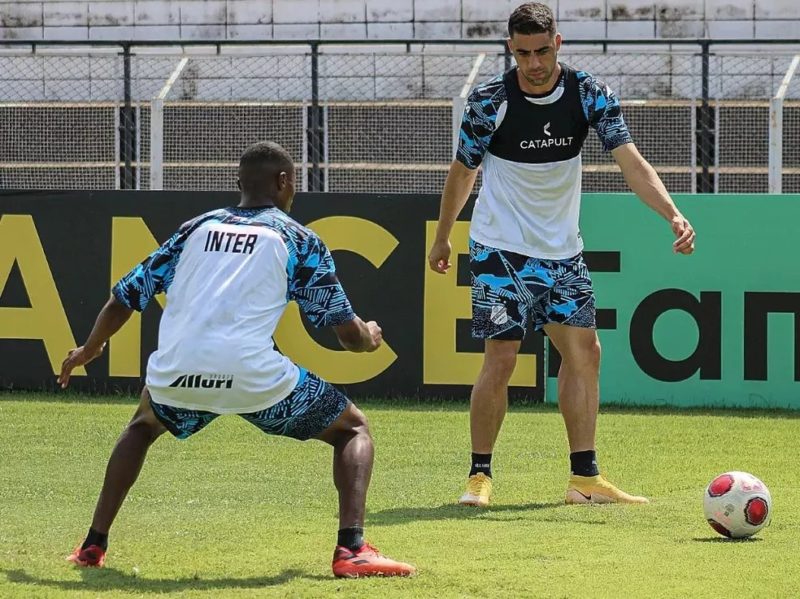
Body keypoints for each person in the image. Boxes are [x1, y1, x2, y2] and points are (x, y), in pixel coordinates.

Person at [59, 141, 415, 578]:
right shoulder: (298, 238)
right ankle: (352, 549)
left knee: (142, 425)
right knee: (352, 428)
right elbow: (347, 336)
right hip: (252, 375)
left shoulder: (195, 228)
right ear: (284, 182)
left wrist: (89, 350)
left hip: (176, 372)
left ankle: (93, 545)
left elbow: (123, 297)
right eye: (293, 182)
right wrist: (370, 337)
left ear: (240, 184)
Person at [428, 2, 696, 507]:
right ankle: (479, 476)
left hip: (562, 253)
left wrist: (673, 214)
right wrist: (443, 236)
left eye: (542, 51)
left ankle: (585, 479)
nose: (533, 63)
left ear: (559, 43)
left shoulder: (590, 94)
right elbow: (462, 174)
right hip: (500, 249)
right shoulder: (488, 102)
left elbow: (631, 164)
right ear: (511, 48)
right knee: (502, 358)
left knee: (586, 354)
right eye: (523, 53)